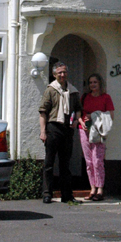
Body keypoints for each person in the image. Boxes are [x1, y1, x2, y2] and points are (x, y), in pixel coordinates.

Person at [39, 62, 81, 204]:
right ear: (54, 75)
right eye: (59, 73)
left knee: (65, 164)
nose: (62, 75)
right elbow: (43, 112)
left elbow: (78, 109)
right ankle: (47, 194)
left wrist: (76, 120)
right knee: (49, 163)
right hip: (53, 128)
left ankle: (66, 195)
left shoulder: (73, 91)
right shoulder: (50, 90)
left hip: (67, 130)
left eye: (64, 72)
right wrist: (43, 131)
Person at [79, 73, 114, 201]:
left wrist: (94, 115)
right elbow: (79, 113)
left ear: (100, 83)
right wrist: (82, 122)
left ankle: (100, 189)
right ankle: (92, 188)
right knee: (88, 161)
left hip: (98, 131)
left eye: (95, 82)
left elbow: (110, 116)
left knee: (97, 160)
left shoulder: (106, 98)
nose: (92, 85)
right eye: (90, 82)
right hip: (84, 130)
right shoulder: (85, 97)